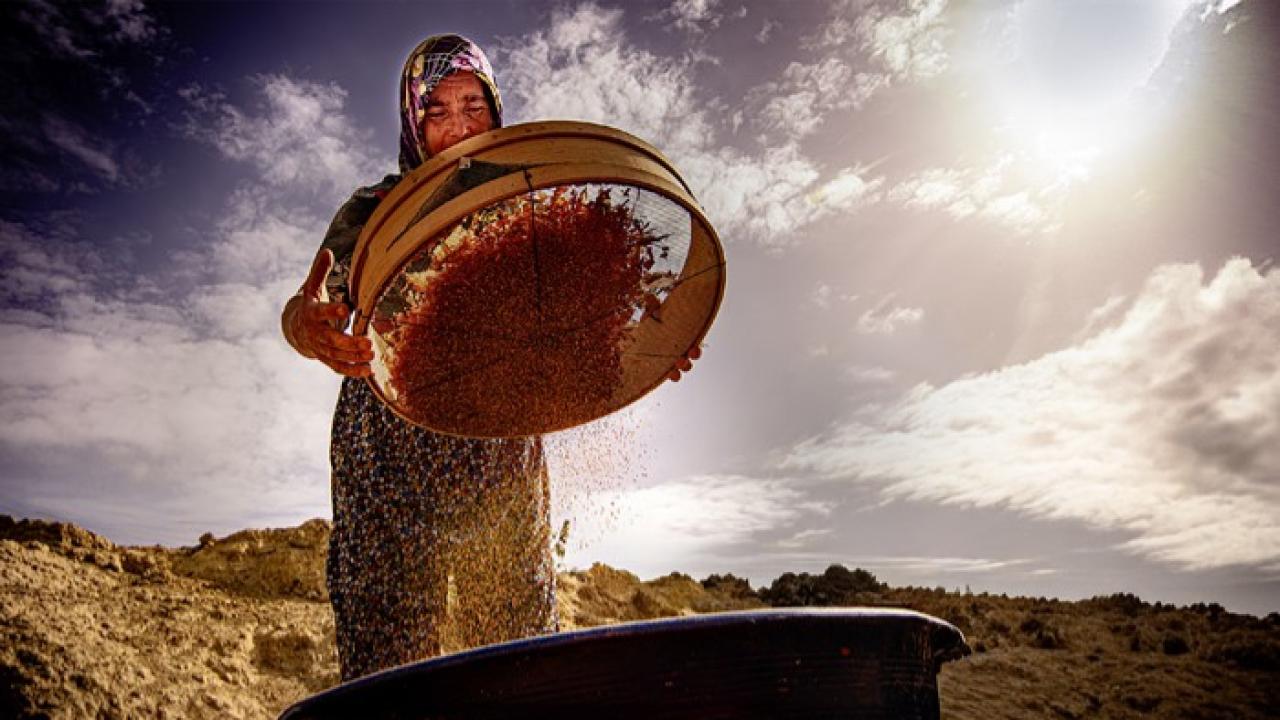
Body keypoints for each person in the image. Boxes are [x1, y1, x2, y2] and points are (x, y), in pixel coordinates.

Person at [281, 34, 696, 681]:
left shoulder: (531, 203)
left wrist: (641, 345)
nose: (457, 128)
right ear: (412, 124)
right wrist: (308, 327)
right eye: (437, 112)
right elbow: (308, 305)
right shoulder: (374, 211)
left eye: (473, 107)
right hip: (385, 457)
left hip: (499, 454)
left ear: (497, 112)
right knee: (388, 672)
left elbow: (584, 321)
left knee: (516, 664)